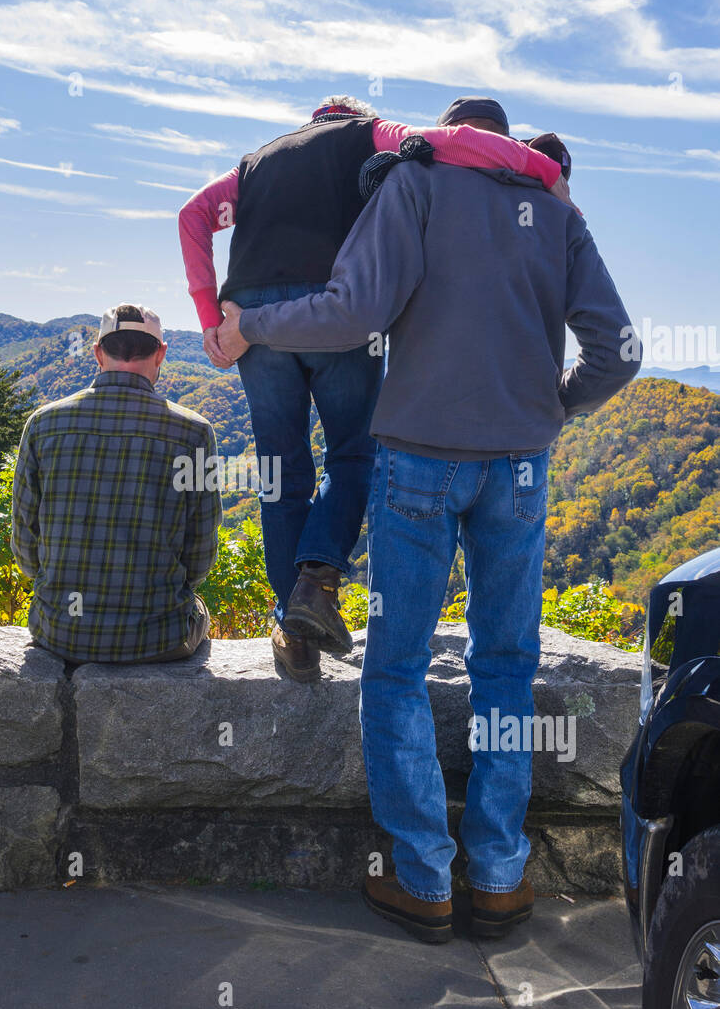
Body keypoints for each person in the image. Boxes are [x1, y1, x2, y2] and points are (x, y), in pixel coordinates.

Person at [218, 102, 640, 943]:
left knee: (398, 666)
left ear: (451, 134)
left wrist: (253, 323)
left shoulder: (416, 183)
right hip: (520, 464)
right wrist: (551, 410)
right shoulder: (556, 208)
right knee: (508, 665)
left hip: (418, 456)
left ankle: (423, 880)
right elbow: (619, 351)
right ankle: (499, 880)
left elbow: (351, 312)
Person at [178, 95, 573, 683]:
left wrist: (213, 319)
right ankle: (315, 582)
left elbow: (192, 216)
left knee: (279, 472)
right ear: (352, 117)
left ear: (310, 122)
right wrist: (541, 170)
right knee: (354, 453)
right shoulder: (371, 134)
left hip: (254, 319)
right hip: (335, 312)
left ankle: (294, 628)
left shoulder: (254, 165)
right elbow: (456, 143)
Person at [12, 304, 221, 665]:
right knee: (197, 609)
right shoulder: (194, 433)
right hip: (159, 637)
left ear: (97, 353)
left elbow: (24, 543)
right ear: (161, 354)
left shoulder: (43, 424)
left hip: (58, 632)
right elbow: (200, 553)